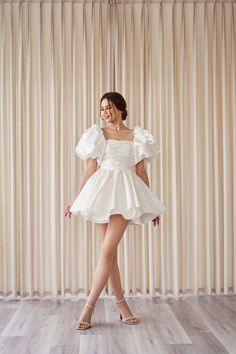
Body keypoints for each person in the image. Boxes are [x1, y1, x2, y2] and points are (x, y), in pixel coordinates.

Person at [65, 92, 166, 330]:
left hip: (124, 194)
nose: (105, 112)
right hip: (100, 192)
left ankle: (88, 308)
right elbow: (90, 168)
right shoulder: (97, 134)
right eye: (101, 109)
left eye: (108, 107)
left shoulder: (136, 136)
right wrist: (75, 198)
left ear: (120, 108)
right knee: (108, 256)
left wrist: (150, 204)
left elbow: (141, 172)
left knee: (107, 253)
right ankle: (122, 305)